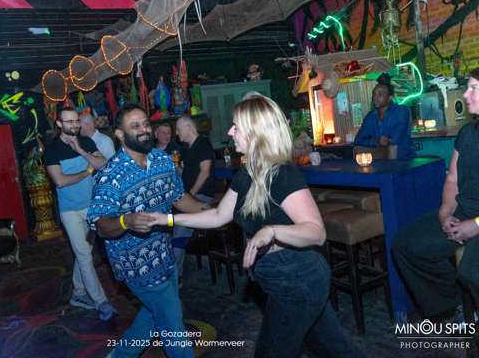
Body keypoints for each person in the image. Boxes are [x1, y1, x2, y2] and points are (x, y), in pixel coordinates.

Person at [147, 96, 363, 358]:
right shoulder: (247, 174)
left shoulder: (281, 173)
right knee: (337, 350)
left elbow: (316, 232)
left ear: (254, 133)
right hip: (284, 277)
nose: (230, 132)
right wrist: (167, 220)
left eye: (236, 127)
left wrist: (272, 231)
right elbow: (218, 216)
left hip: (297, 278)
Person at [87, 103, 208, 358]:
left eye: (145, 124)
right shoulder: (110, 175)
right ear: (120, 135)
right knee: (172, 322)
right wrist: (125, 222)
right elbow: (101, 225)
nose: (144, 130)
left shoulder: (163, 160)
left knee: (152, 317)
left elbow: (179, 198)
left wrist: (213, 212)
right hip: (135, 264)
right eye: (135, 126)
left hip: (165, 255)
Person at [392, 68, 479, 321]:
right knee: (405, 245)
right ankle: (450, 307)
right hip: (463, 213)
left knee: (471, 272)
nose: (466, 94)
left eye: (473, 88)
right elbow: (452, 178)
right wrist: (445, 213)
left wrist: (475, 225)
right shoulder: (467, 133)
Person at [44, 107, 115, 321]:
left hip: (91, 207)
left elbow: (104, 164)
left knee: (83, 251)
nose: (74, 125)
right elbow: (60, 181)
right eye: (69, 121)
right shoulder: (52, 150)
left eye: (76, 121)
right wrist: (86, 171)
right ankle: (101, 301)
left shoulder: (86, 142)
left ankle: (78, 293)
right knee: (84, 254)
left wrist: (82, 151)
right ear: (59, 124)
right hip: (70, 211)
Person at [173, 116, 215, 282]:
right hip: (190, 195)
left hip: (201, 195)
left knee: (178, 232)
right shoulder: (186, 148)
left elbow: (205, 172)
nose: (176, 133)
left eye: (178, 129)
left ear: (188, 127)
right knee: (172, 228)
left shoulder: (203, 143)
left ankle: (176, 278)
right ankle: (174, 273)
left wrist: (189, 195)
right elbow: (187, 174)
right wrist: (176, 167)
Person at [354, 72, 415, 159]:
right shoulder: (370, 117)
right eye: (374, 94)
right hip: (381, 161)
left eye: (380, 94)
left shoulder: (401, 111)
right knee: (357, 150)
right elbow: (358, 140)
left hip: (404, 160)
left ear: (389, 98)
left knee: (392, 149)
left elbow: (394, 140)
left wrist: (385, 141)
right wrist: (376, 141)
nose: (375, 97)